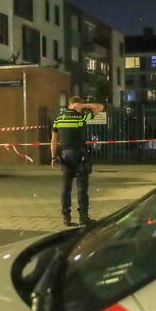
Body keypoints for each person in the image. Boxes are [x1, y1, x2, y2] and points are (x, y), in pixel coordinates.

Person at [50, 96, 105, 227]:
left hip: (65, 157)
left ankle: (66, 217)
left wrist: (53, 157)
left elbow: (53, 141)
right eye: (78, 105)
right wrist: (84, 106)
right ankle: (83, 217)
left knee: (66, 188)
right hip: (80, 156)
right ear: (73, 105)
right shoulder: (81, 118)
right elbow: (100, 107)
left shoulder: (58, 120)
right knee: (82, 188)